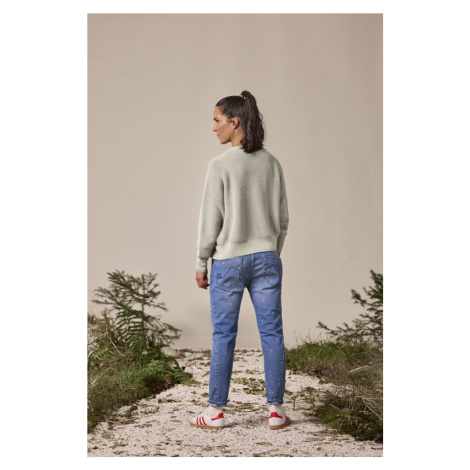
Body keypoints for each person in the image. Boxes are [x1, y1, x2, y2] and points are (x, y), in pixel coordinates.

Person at [190, 91, 291, 431]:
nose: (213, 127)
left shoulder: (219, 166)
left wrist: (201, 262)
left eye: (216, 120)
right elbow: (283, 219)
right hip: (266, 258)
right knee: (272, 333)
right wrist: (272, 248)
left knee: (223, 335)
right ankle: (276, 411)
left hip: (229, 261)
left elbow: (210, 221)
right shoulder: (271, 162)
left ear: (234, 122)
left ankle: (215, 413)